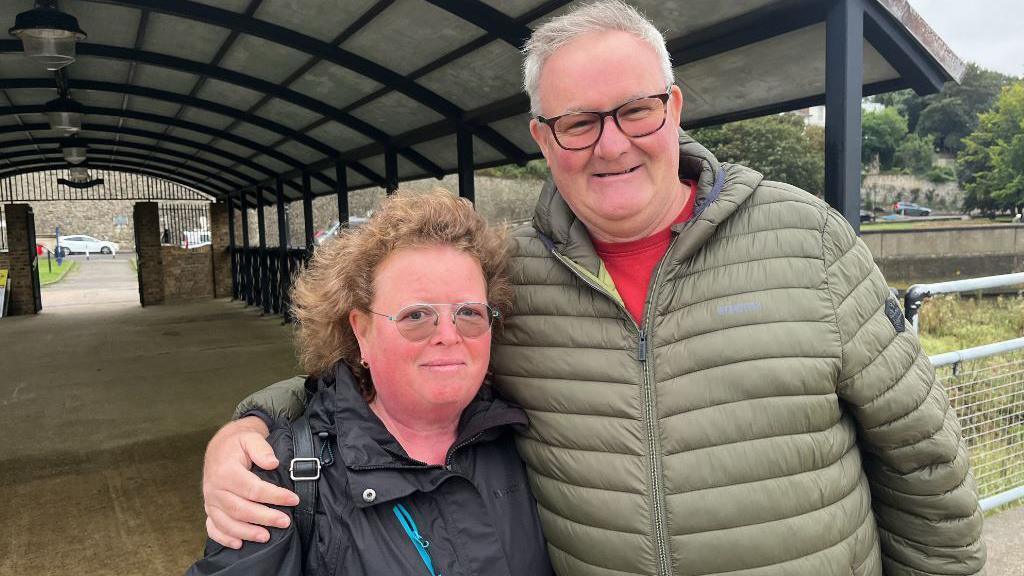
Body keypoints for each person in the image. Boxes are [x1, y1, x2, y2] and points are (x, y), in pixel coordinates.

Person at [201, 2, 986, 575]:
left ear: (674, 110)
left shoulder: (807, 241)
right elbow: (400, 362)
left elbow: (923, 462)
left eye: (637, 111)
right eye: (577, 122)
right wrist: (253, 425)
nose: (612, 144)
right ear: (543, 138)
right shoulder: (515, 279)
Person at [188, 190, 553, 575]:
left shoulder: (525, 441)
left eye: (469, 313)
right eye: (416, 316)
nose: (449, 334)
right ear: (362, 331)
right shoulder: (281, 479)